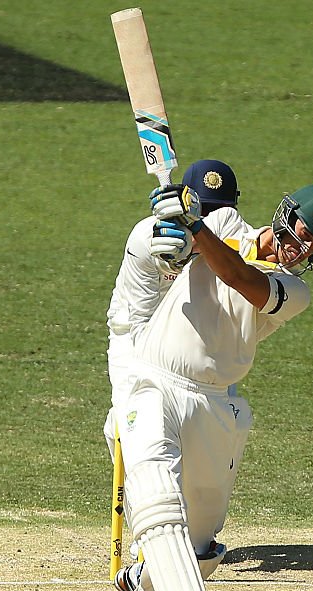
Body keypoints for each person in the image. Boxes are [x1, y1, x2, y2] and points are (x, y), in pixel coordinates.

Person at [114, 182, 313, 591]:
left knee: (201, 540)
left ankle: (143, 582)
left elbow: (238, 274)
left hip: (216, 404)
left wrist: (195, 226)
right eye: (306, 232)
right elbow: (173, 257)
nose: (305, 248)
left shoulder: (294, 290)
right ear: (285, 213)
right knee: (158, 497)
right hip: (155, 381)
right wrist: (171, 229)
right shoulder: (223, 224)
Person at [104, 160, 240, 562]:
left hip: (196, 346)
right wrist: (174, 257)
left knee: (217, 433)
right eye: (205, 210)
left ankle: (197, 537)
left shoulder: (231, 235)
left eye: (219, 211)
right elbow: (159, 254)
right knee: (130, 430)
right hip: (137, 339)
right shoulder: (150, 233)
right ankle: (148, 542)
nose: (211, 220)